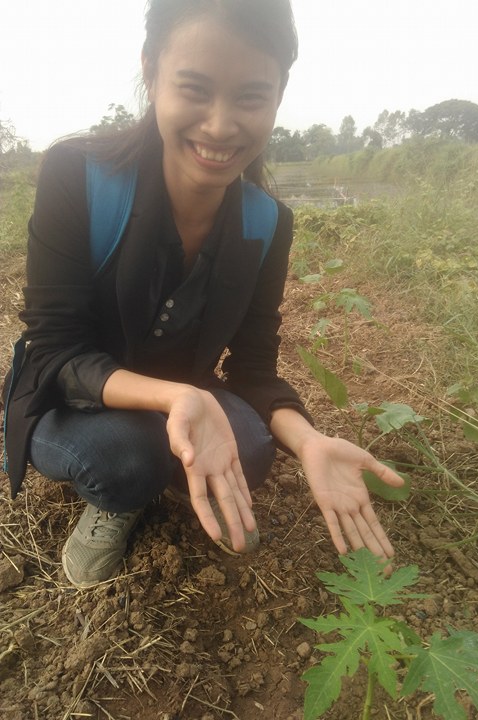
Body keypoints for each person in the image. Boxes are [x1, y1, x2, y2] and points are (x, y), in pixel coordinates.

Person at [2, 0, 404, 589]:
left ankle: (175, 461)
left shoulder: (267, 223)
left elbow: (253, 368)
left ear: (278, 95)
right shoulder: (79, 176)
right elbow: (57, 350)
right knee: (125, 459)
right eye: (195, 89)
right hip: (76, 395)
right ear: (151, 72)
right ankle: (121, 498)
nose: (220, 126)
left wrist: (309, 441)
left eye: (250, 97)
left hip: (184, 396)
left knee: (254, 447)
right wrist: (175, 397)